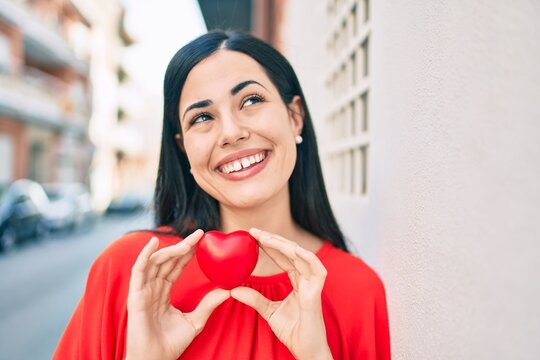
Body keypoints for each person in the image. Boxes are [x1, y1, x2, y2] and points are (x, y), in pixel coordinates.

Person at [53, 30, 390, 360]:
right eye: (202, 117)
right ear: (183, 148)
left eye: (251, 100)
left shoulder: (357, 291)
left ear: (295, 117)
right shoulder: (132, 273)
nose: (231, 133)